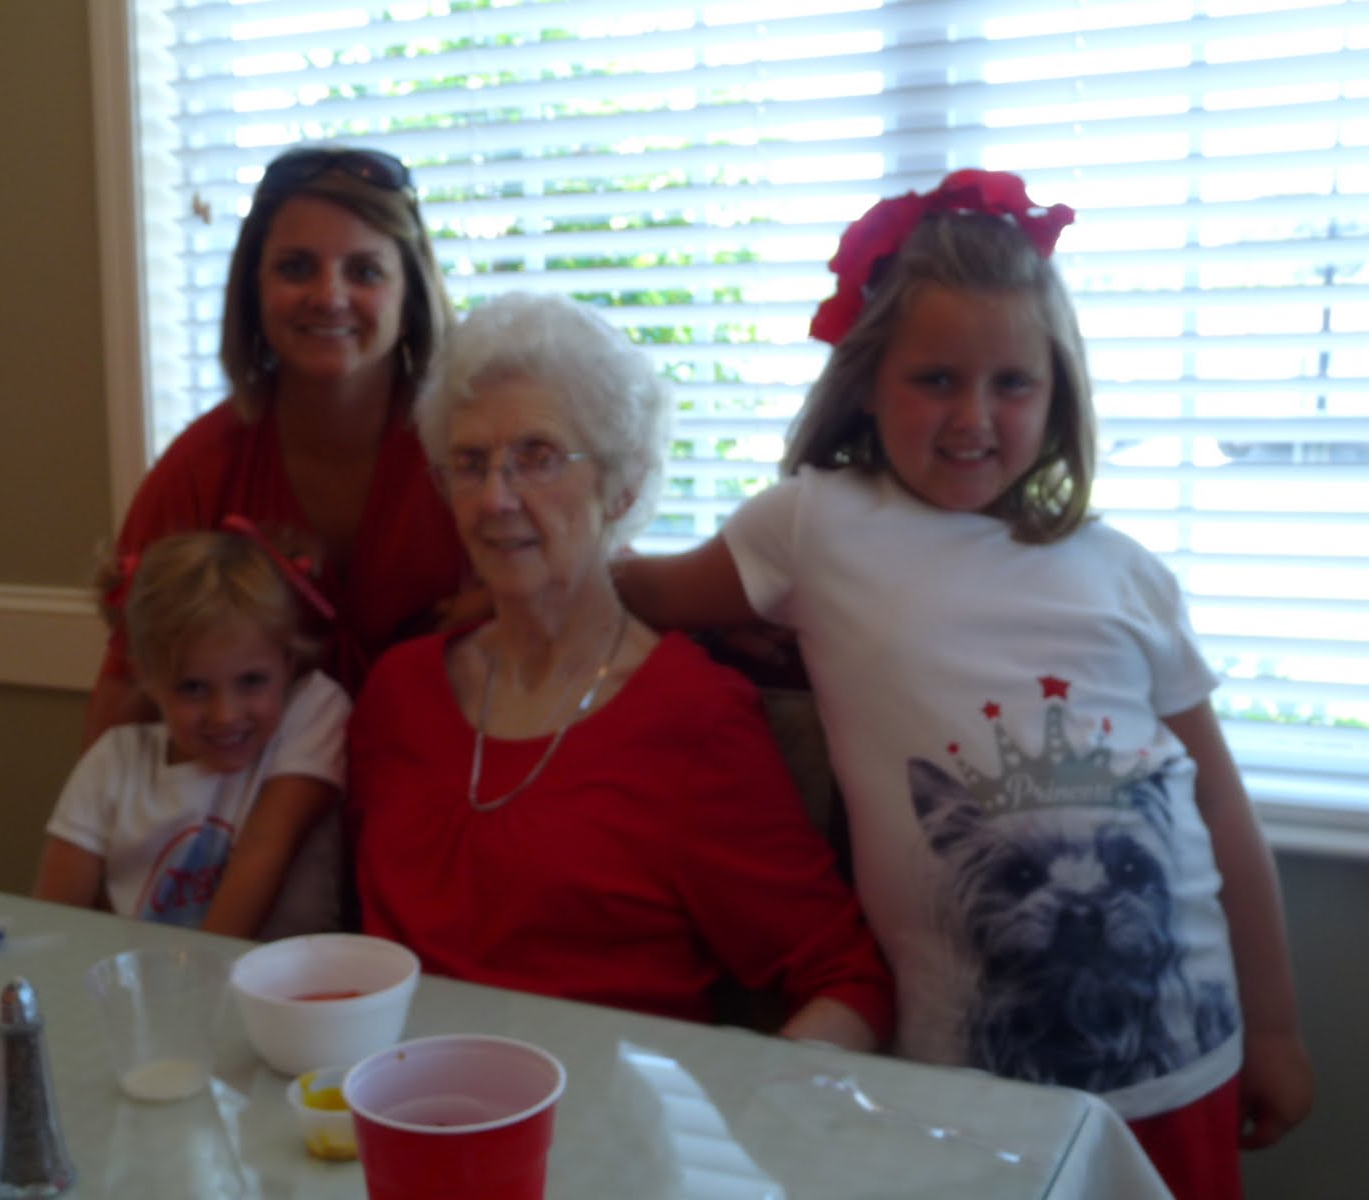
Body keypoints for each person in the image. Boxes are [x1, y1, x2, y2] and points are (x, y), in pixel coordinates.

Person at [614, 170, 1313, 1199]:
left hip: (1180, 1062)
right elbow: (645, 592)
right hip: (964, 1086)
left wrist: (1277, 1027)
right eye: (935, 379)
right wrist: (523, 572)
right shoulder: (813, 525)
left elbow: (1218, 804)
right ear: (867, 381)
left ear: (1058, 395)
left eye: (1012, 384)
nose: (973, 417)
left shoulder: (1126, 572)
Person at [346, 291, 894, 1049]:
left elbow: (849, 982)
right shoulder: (398, 693)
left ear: (624, 485)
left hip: (596, 1116)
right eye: (469, 463)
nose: (495, 498)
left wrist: (755, 1116)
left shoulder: (691, 719)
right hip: (385, 1102)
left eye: (538, 457)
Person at [83, 144, 470, 745]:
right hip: (253, 796)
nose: (329, 296)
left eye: (365, 271)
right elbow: (128, 688)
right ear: (252, 291)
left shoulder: (476, 450)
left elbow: (579, 595)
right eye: (296, 267)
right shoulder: (200, 468)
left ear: (410, 295)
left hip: (447, 779)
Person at [36, 527, 350, 939]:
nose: (225, 715)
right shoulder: (114, 762)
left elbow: (266, 847)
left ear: (288, 663)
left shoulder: (310, 712)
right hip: (135, 974)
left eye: (252, 680)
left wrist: (199, 973)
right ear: (146, 678)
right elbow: (56, 920)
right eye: (193, 688)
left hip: (269, 974)